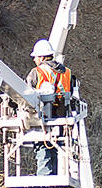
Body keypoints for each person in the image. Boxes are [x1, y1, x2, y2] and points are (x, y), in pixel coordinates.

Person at [26, 39, 74, 176]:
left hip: (44, 119)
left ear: (41, 57)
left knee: (43, 147)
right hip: (62, 118)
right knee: (59, 149)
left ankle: (44, 180)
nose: (34, 59)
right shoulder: (67, 72)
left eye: (35, 57)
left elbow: (27, 95)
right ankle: (58, 179)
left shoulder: (37, 72)